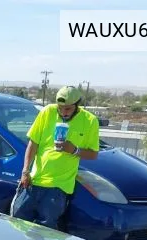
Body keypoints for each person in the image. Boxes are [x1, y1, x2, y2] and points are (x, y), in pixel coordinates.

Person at [12, 85, 99, 230]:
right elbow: (33, 144)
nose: (63, 112)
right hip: (33, 181)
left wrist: (74, 150)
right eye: (60, 108)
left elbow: (93, 154)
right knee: (17, 223)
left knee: (45, 232)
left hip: (58, 188)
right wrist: (25, 172)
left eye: (68, 109)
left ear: (77, 106)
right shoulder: (47, 112)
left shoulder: (90, 121)